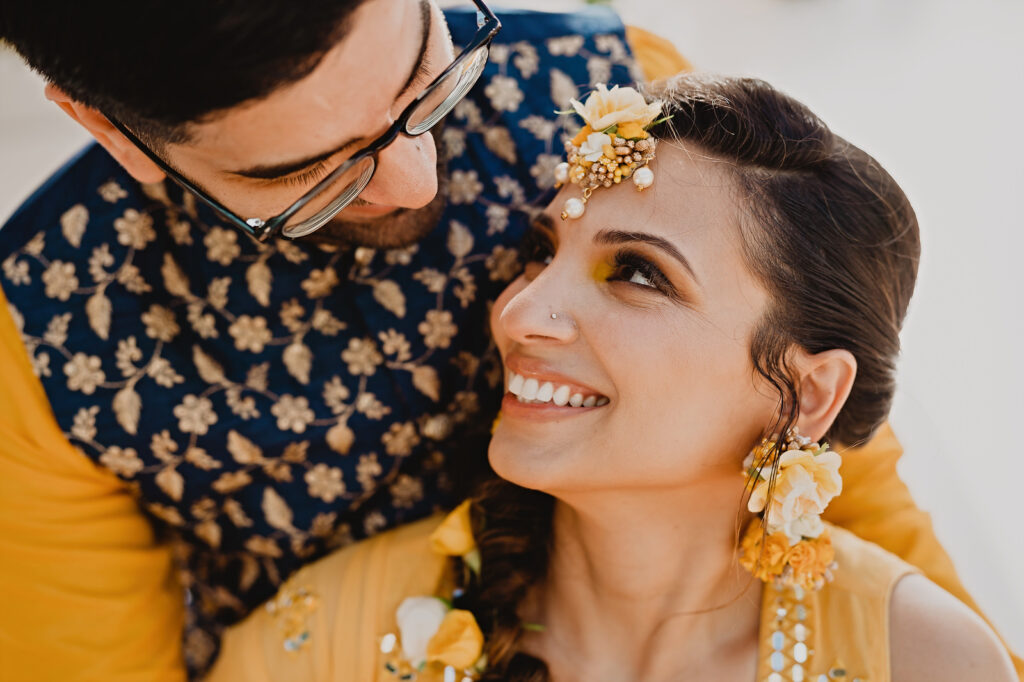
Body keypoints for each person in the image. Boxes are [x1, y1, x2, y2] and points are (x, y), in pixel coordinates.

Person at [0, 1, 1018, 679]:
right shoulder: (43, 336)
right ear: (114, 134)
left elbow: (824, 453)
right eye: (310, 175)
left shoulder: (609, 86)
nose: (415, 181)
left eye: (420, 85)